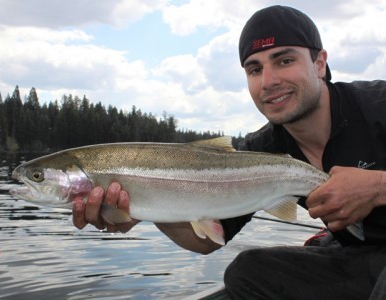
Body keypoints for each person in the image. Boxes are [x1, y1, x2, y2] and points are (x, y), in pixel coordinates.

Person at [72, 5, 386, 299]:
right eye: (254, 69)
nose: (269, 81)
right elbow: (208, 239)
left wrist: (375, 187)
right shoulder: (259, 151)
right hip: (359, 261)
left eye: (284, 60)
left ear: (319, 64)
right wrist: (151, 206)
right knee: (245, 273)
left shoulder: (378, 105)